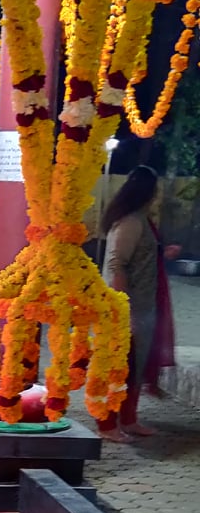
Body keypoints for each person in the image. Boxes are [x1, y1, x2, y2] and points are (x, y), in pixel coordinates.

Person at [100, 165, 180, 440]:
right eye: (155, 189)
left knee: (135, 364)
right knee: (119, 365)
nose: (157, 195)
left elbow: (140, 258)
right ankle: (108, 425)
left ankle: (129, 419)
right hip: (129, 307)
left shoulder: (141, 220)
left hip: (145, 305)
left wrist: (162, 253)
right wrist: (123, 311)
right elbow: (116, 265)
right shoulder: (131, 222)